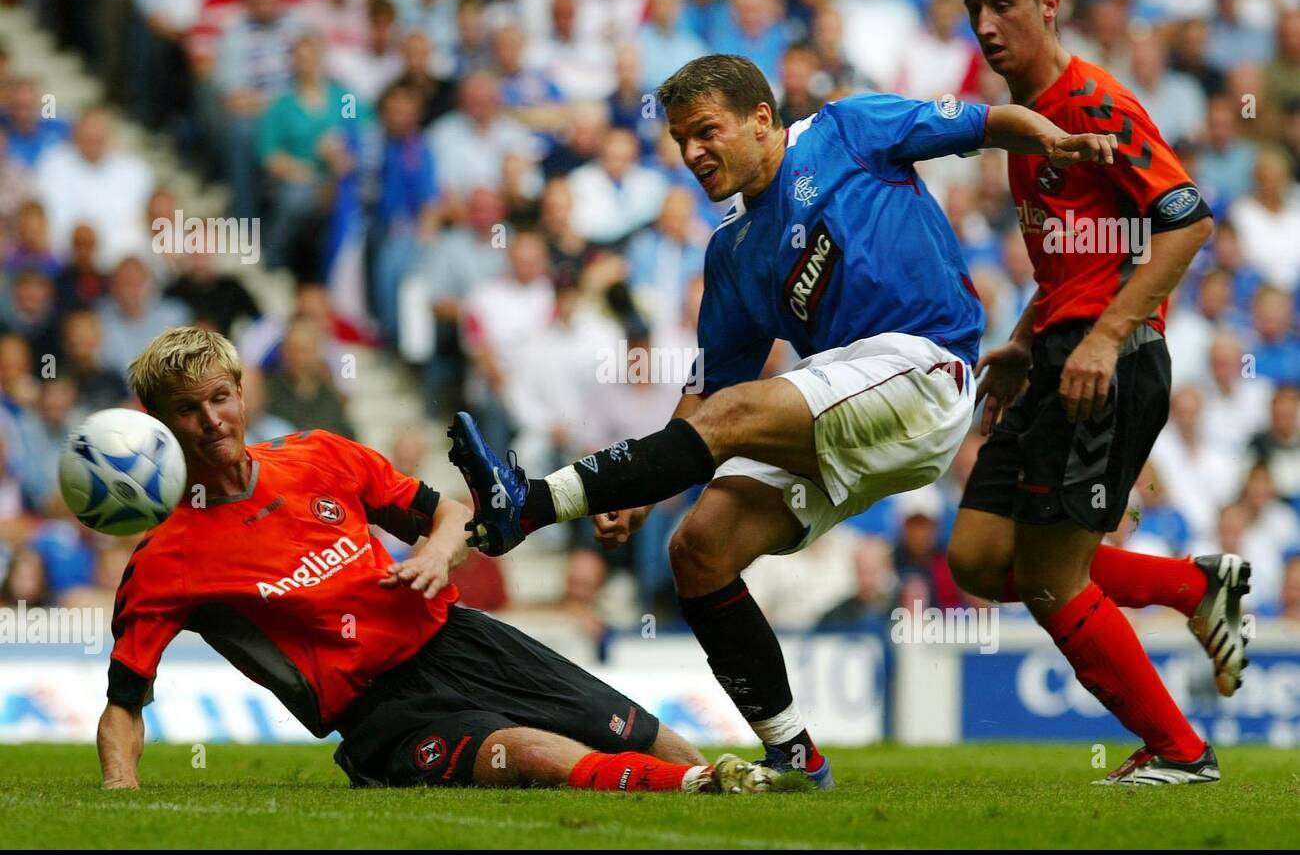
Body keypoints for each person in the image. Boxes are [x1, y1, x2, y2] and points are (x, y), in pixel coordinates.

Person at [450, 52, 1119, 788]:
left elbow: (988, 124)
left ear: (762, 119)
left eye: (706, 131)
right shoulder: (732, 252)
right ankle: (795, 755)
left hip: (925, 367)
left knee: (747, 410)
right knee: (698, 551)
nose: (692, 153)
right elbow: (706, 398)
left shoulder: (849, 129)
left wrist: (1052, 140)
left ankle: (530, 505)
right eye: (679, 140)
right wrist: (638, 494)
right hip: (846, 408)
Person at [96, 327, 777, 796]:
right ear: (159, 423)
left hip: (463, 639)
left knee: (654, 740)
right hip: (382, 713)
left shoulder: (318, 456)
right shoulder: (167, 557)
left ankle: (717, 781)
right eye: (188, 410)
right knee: (534, 756)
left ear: (242, 394)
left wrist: (435, 553)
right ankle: (701, 786)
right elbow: (125, 702)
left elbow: (448, 513)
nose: (212, 419)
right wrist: (120, 791)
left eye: (219, 398)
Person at [950, 0, 1236, 787]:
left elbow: (1188, 219)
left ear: (1049, 4)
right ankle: (1193, 588)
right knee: (976, 557)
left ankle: (1182, 755)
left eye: (1002, 3)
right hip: (1056, 353)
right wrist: (1023, 343)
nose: (986, 26)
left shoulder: (1095, 104)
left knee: (1047, 579)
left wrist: (1106, 337)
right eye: (973, 9)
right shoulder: (1029, 130)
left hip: (1105, 360)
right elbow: (1080, 262)